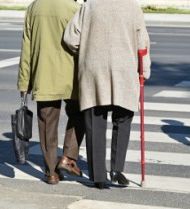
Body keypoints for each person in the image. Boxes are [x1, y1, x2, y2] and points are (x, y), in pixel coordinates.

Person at [63, 0, 151, 189]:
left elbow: (70, 38)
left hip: (94, 69)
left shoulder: (90, 5)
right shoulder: (132, 6)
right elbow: (142, 43)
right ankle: (117, 169)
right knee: (123, 118)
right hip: (124, 69)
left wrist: (87, 50)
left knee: (95, 120)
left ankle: (98, 176)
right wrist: (145, 71)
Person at [17, 0, 85, 185]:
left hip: (44, 74)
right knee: (78, 114)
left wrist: (24, 82)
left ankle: (51, 173)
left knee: (47, 123)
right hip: (71, 75)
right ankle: (68, 158)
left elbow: (27, 48)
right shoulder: (75, 8)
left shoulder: (34, 7)